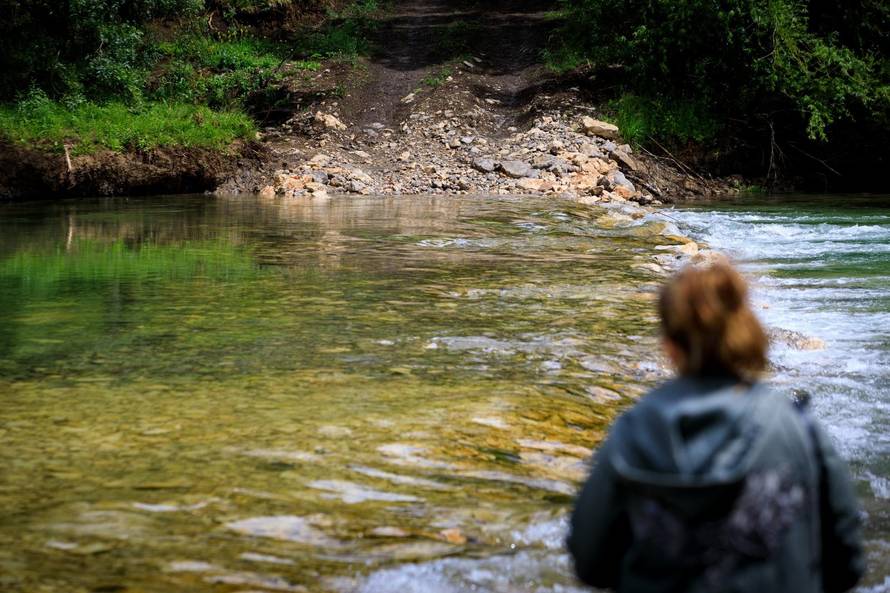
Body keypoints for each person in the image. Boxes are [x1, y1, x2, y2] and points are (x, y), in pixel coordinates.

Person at [568, 261, 865, 593]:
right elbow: (847, 565)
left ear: (670, 347)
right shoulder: (800, 430)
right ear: (747, 331)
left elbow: (588, 561)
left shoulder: (631, 432)